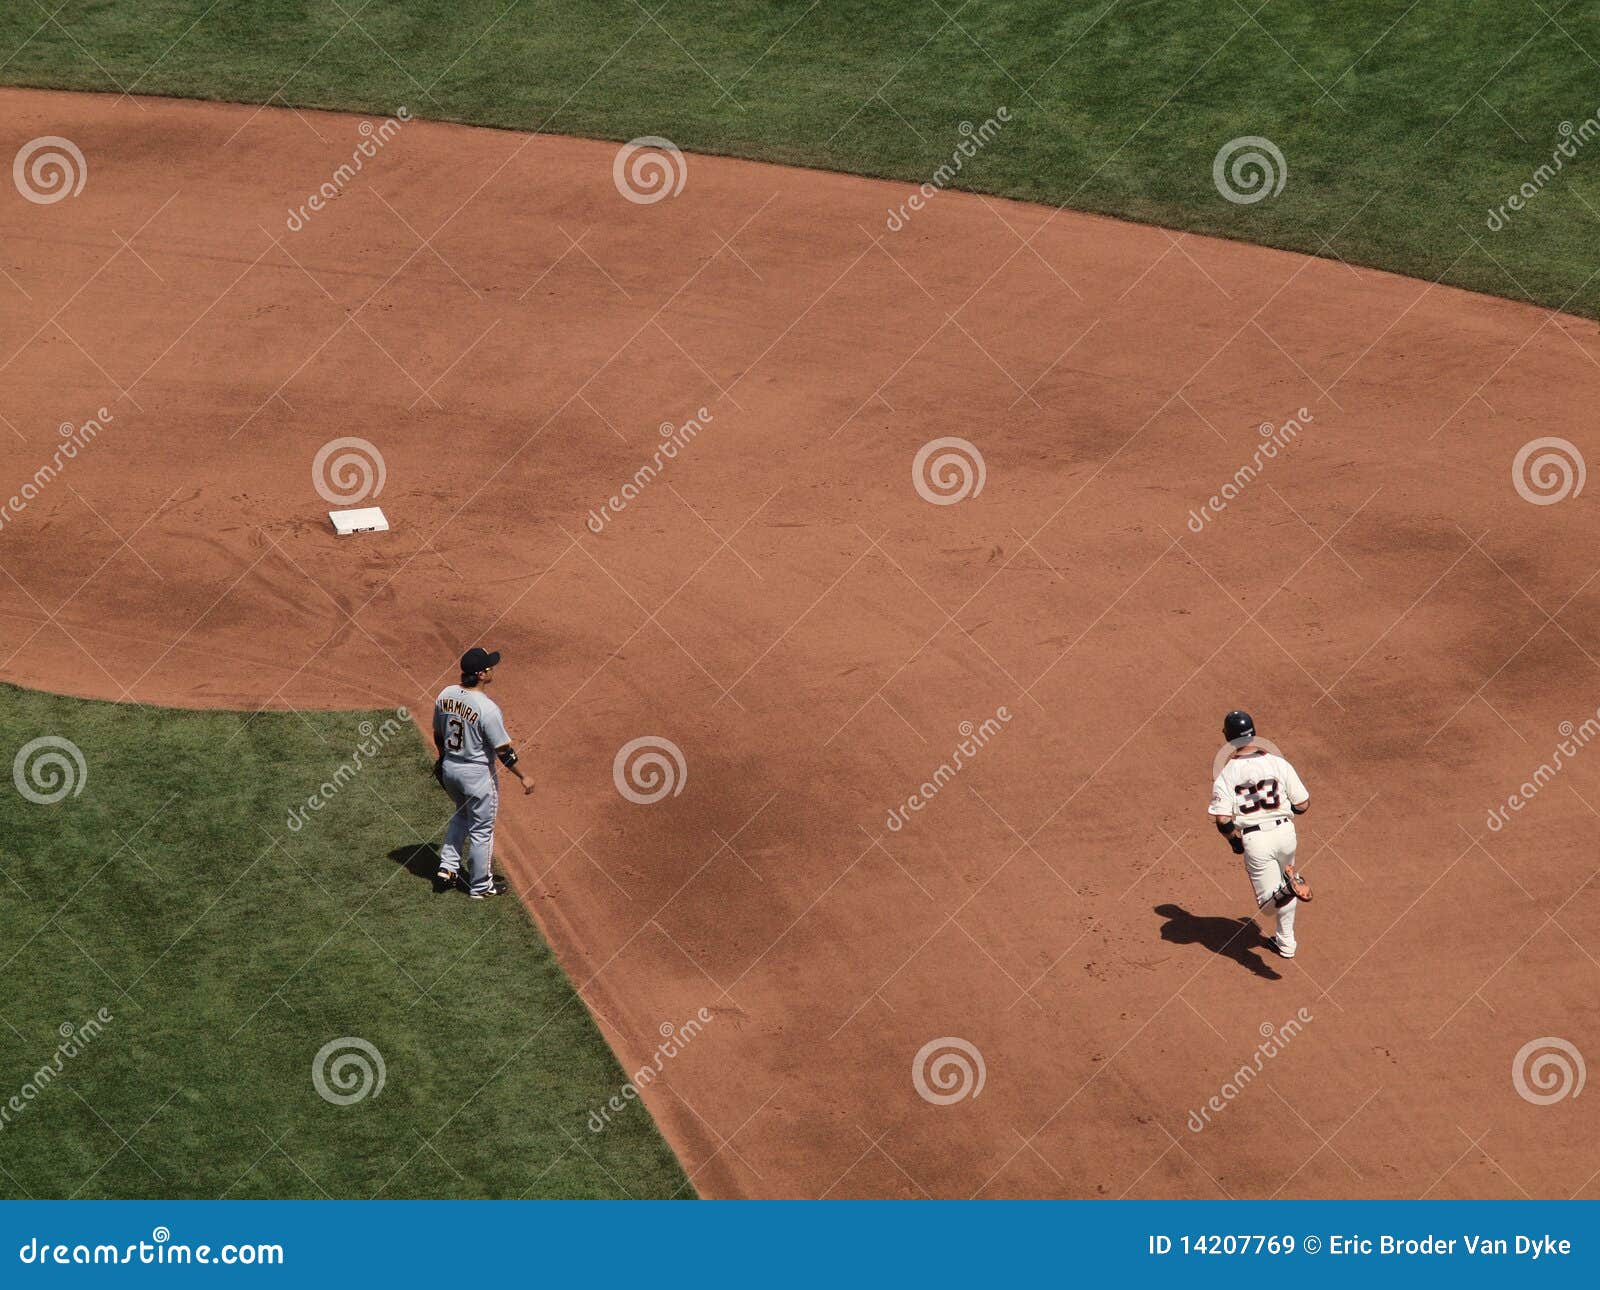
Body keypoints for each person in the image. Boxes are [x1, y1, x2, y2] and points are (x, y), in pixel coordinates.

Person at [432, 646, 534, 898]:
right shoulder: (487, 708)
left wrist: (443, 759)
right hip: (476, 776)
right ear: (480, 674)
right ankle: (480, 886)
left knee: (461, 815)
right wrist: (524, 776)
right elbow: (503, 752)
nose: (492, 670)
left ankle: (448, 866)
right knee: (481, 830)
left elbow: (438, 733)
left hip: (450, 769)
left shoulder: (445, 694)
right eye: (489, 667)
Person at [1207, 710, 1311, 958]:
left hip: (1256, 839)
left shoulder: (1227, 773)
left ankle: (1288, 888)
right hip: (1286, 833)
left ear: (1227, 737)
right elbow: (1303, 804)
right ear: (1253, 733)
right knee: (1285, 883)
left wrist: (1235, 842)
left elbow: (1222, 819)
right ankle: (1286, 943)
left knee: (1268, 904)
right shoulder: (1278, 763)